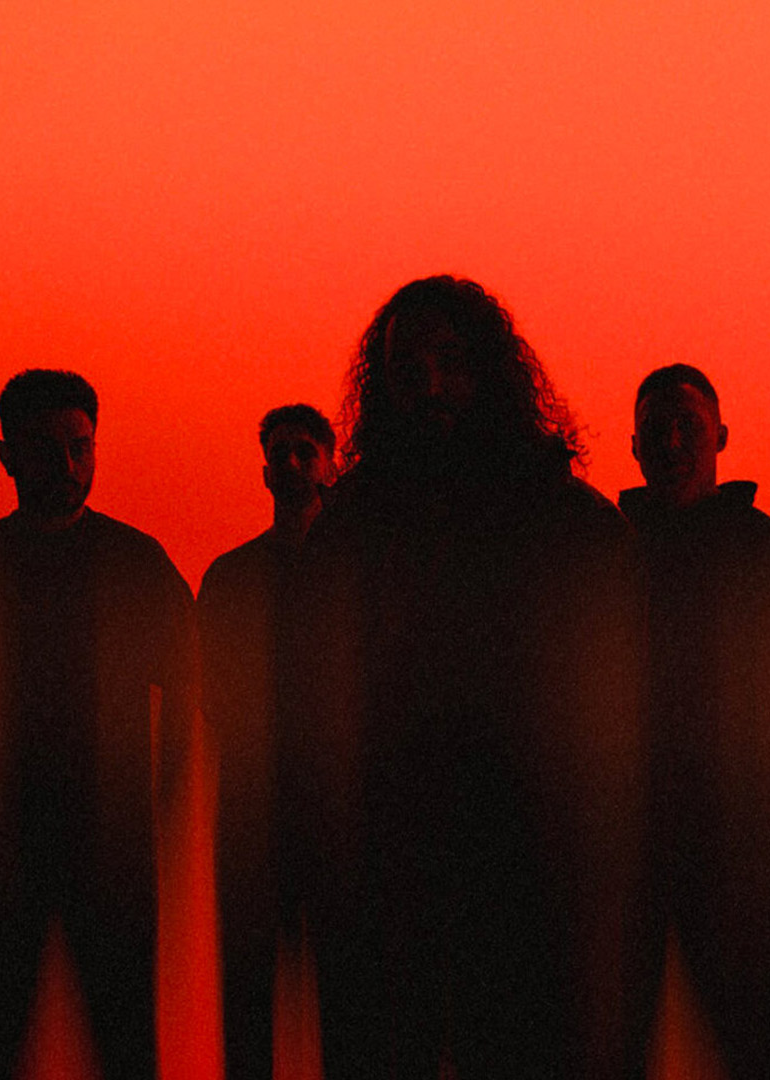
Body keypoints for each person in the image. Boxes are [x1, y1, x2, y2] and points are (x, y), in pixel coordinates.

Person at [275, 277, 646, 1079]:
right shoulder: (357, 520)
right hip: (392, 855)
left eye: (450, 361)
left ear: (489, 371)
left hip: (528, 856)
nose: (431, 386)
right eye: (409, 367)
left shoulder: (569, 520)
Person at [0, 370, 196, 1080]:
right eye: (46, 449)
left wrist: (155, 818)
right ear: (7, 455)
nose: (66, 466)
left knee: (119, 1048)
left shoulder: (137, 565)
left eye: (80, 447)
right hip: (2, 858)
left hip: (104, 856)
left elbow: (186, 700)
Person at [618, 365, 770, 1079]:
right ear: (635, 447)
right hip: (624, 837)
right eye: (657, 430)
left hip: (737, 845)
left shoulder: (766, 551)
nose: (673, 442)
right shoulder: (607, 549)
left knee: (757, 1043)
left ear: (722, 439)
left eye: (689, 427)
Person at [197, 403, 337, 1080]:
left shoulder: (352, 576)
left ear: (330, 466)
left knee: (347, 1000)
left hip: (339, 816)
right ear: (263, 471)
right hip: (257, 816)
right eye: (280, 452)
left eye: (303, 451)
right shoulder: (230, 577)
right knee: (251, 997)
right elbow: (212, 693)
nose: (290, 463)